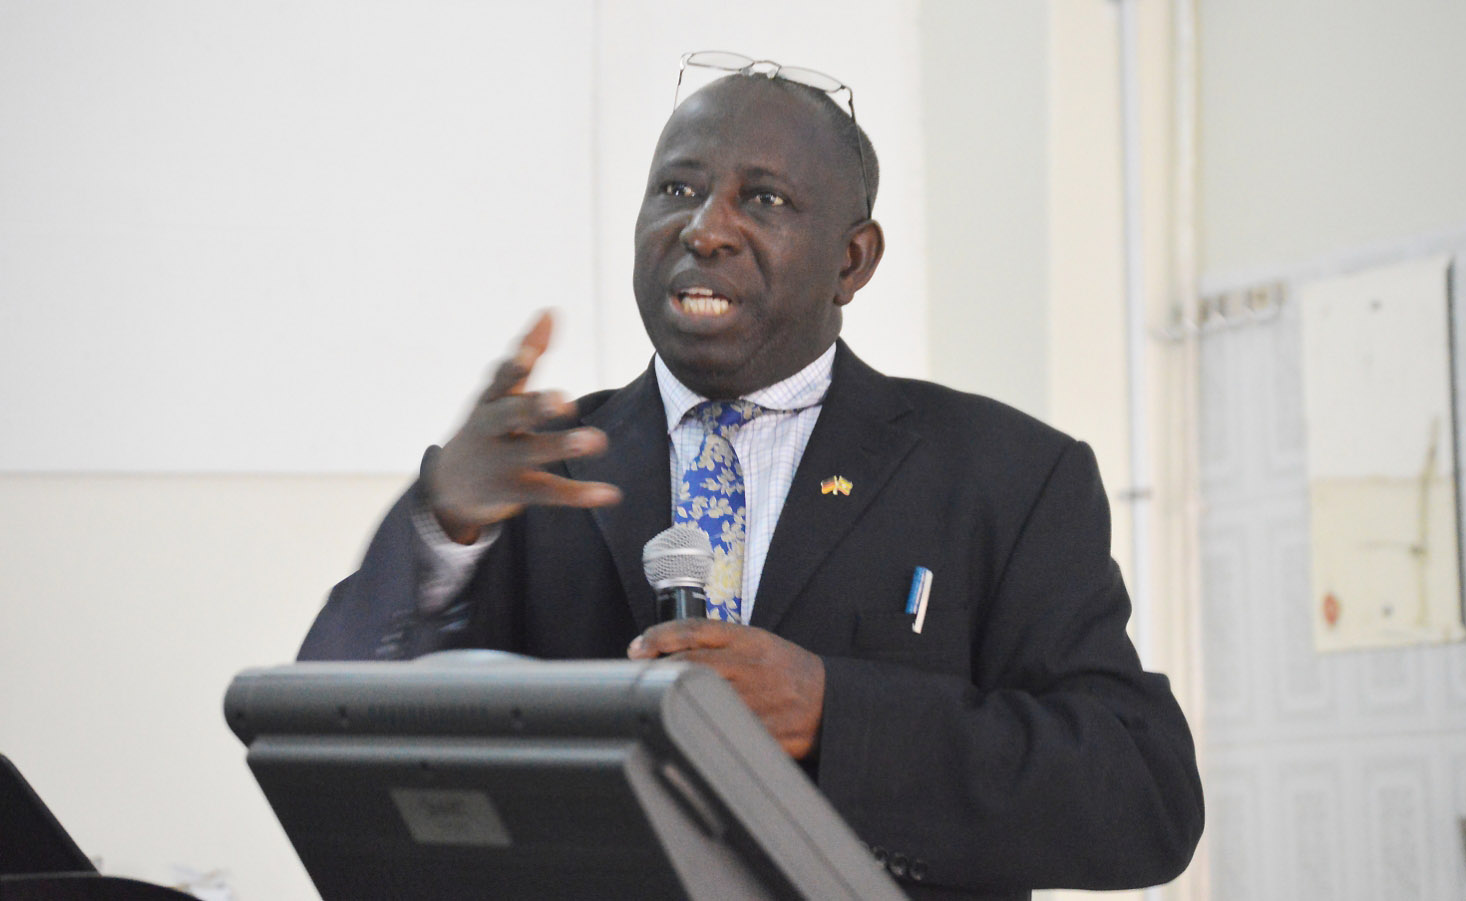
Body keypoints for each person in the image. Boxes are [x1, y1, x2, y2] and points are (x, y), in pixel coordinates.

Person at [299, 61, 1203, 900]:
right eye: (678, 190)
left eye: (761, 199)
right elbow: (323, 751)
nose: (704, 228)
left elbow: (1142, 797)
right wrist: (442, 519)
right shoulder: (540, 471)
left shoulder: (1004, 476)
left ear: (853, 261)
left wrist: (837, 714)